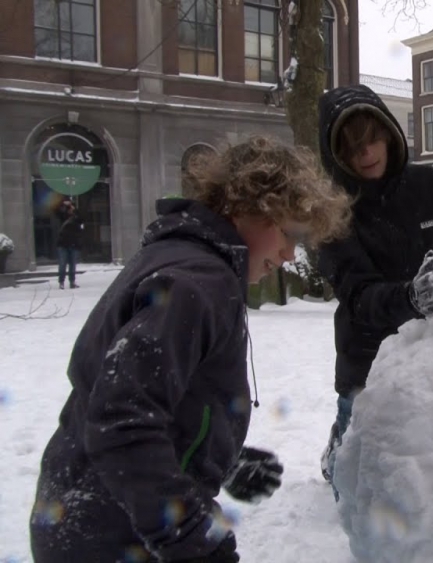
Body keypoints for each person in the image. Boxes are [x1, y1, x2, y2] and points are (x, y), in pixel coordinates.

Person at [29, 136, 352, 562]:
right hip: (111, 533)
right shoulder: (197, 282)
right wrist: (192, 538)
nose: (289, 254)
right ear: (250, 205)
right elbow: (121, 421)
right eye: (289, 233)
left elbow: (152, 393)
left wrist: (215, 458)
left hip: (88, 513)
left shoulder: (185, 259)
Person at [315, 84, 433, 493]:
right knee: (352, 476)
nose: (364, 154)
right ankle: (337, 445)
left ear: (387, 133)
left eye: (370, 140)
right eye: (350, 149)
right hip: (366, 359)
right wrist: (408, 297)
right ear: (337, 157)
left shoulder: (430, 183)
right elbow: (359, 294)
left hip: (429, 346)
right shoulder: (331, 213)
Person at [56, 199, 84, 289]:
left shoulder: (76, 217)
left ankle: (72, 281)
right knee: (62, 264)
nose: (70, 209)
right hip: (63, 244)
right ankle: (61, 282)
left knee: (73, 264)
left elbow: (81, 219)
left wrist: (75, 210)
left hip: (74, 243)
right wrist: (64, 206)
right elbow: (59, 213)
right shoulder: (63, 216)